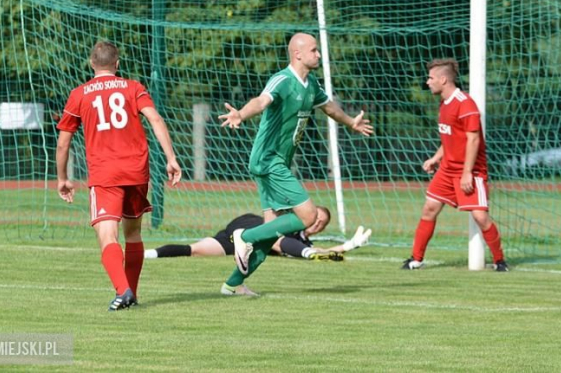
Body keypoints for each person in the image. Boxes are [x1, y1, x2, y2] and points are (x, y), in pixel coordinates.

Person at [218, 32, 374, 296]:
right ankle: (244, 237)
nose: (319, 55)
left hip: (277, 162)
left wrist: (351, 122)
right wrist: (241, 114)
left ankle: (232, 285)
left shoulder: (311, 85)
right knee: (309, 215)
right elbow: (261, 101)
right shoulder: (282, 79)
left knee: (267, 240)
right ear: (298, 54)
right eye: (314, 50)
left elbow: (330, 108)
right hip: (268, 160)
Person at [56, 41, 182, 311]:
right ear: (117, 64)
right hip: (137, 170)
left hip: (105, 173)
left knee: (107, 236)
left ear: (92, 64)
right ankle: (132, 293)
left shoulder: (80, 94)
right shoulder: (133, 87)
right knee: (133, 234)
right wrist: (171, 158)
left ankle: (123, 291)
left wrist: (62, 178)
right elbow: (155, 119)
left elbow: (63, 142)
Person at [402, 58, 508, 272]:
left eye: (430, 78)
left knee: (480, 217)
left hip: (470, 171)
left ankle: (500, 261)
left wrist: (467, 173)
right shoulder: (444, 103)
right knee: (429, 208)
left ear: (443, 79)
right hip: (447, 170)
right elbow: (450, 137)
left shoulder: (465, 103)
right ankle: (416, 259)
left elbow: (473, 139)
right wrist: (435, 158)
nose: (427, 82)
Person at [144, 206, 372, 267]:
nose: (316, 222)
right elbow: (304, 249)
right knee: (275, 239)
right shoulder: (291, 223)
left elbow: (321, 254)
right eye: (316, 217)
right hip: (249, 225)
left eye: (321, 223)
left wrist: (349, 245)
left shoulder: (303, 240)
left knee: (195, 250)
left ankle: (147, 254)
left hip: (239, 240)